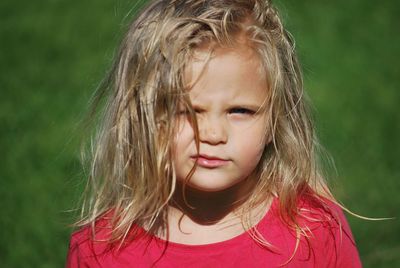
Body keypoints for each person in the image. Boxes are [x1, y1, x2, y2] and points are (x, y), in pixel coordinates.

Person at [66, 0, 362, 267]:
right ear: (143, 115)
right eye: (186, 111)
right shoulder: (101, 250)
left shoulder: (314, 229)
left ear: (276, 119)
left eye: (240, 111)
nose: (212, 133)